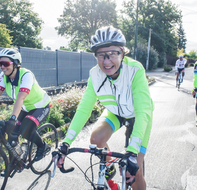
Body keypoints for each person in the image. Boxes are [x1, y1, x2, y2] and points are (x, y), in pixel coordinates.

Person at [56, 26, 154, 190]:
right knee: (96, 139)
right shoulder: (95, 75)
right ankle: (110, 167)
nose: (107, 61)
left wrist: (132, 152)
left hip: (138, 115)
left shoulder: (135, 70)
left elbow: (143, 112)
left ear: (122, 53)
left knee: (134, 172)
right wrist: (66, 143)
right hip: (115, 112)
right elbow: (84, 109)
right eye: (101, 55)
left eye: (113, 54)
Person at [0, 48, 51, 162]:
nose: (2, 67)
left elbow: (20, 97)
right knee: (11, 132)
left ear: (15, 64)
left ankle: (42, 146)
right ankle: (15, 161)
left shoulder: (26, 75)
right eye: (0, 63)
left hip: (40, 106)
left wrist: (13, 118)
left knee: (26, 130)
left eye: (5, 64)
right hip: (25, 107)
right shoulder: (3, 76)